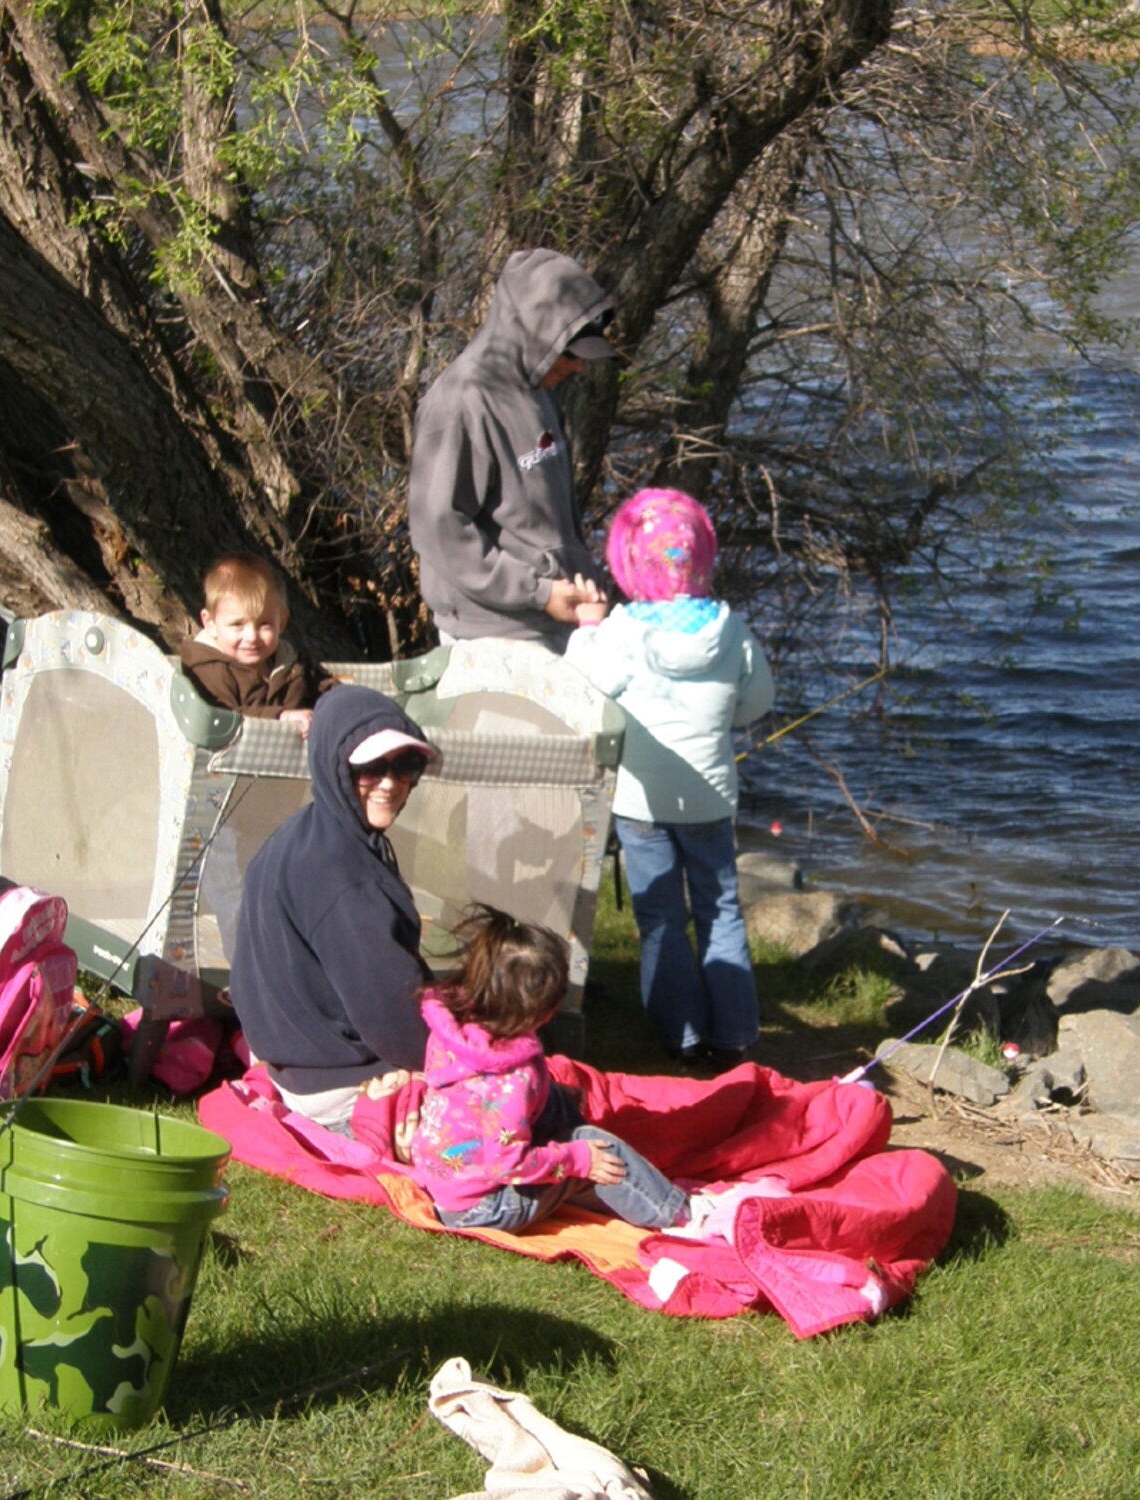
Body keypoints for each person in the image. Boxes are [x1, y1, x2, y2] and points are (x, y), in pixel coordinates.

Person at [358, 906, 783, 1236]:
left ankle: (612, 1182)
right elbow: (510, 1164)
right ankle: (682, 1214)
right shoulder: (510, 1080)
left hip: (449, 1175)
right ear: (542, 1011)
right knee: (594, 1145)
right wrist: (577, 1158)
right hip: (481, 1207)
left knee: (560, 1100)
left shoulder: (453, 1031)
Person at [564, 488, 774, 1066]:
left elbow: (582, 686)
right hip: (711, 800)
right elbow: (758, 701)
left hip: (642, 801)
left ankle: (681, 1036)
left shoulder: (623, 630)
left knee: (661, 917)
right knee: (720, 909)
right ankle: (734, 1033)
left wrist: (586, 627)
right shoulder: (730, 627)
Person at [227, 684, 439, 1133]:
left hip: (296, 1063)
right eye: (370, 767)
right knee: (526, 1121)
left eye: (406, 766)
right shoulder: (343, 874)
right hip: (343, 1084)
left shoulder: (306, 831)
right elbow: (389, 1011)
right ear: (335, 763)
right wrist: (458, 1062)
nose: (390, 783)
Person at [405, 248, 616, 649]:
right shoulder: (460, 401)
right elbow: (438, 529)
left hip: (551, 620)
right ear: (534, 334)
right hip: (493, 634)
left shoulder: (537, 389)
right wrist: (536, 592)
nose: (579, 367)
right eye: (571, 352)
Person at [179, 552, 333, 737]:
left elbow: (326, 687)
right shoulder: (207, 668)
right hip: (235, 762)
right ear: (210, 623)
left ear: (281, 622)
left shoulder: (292, 663)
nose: (252, 637)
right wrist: (280, 717)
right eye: (237, 625)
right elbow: (220, 716)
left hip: (297, 759)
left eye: (264, 624)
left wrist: (346, 705)